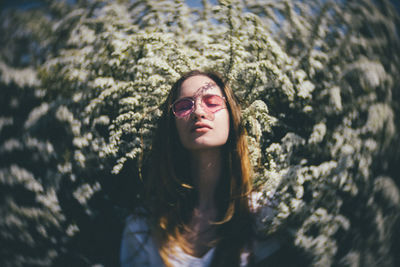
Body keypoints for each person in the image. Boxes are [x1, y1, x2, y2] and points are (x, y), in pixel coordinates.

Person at [120, 70, 278, 267]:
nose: (198, 112)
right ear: (173, 125)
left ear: (231, 115)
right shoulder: (143, 226)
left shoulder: (264, 212)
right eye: (184, 106)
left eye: (212, 102)